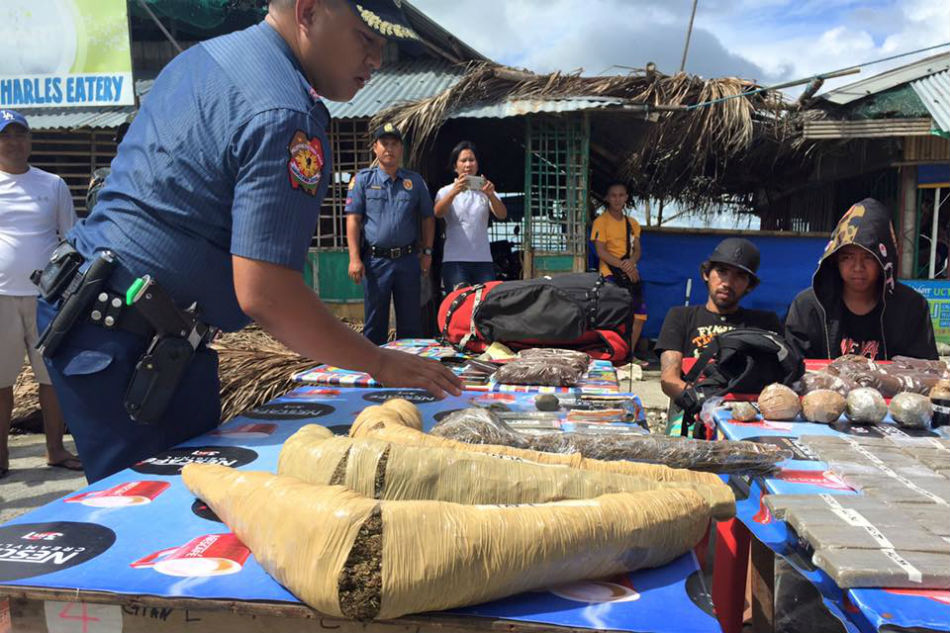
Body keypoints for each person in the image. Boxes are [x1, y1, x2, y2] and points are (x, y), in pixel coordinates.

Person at [35, 0, 462, 483]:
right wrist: (377, 361)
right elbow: (266, 293)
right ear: (309, 12)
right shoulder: (283, 111)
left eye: (383, 45)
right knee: (159, 525)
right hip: (127, 342)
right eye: (365, 38)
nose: (377, 60)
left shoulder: (206, 58)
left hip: (114, 319)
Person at [0, 109, 81, 477]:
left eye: (20, 134)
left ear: (30, 140)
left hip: (47, 298)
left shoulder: (53, 185)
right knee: (1, 382)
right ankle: (1, 457)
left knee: (52, 379)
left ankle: (55, 450)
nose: (14, 142)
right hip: (1, 298)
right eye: (5, 135)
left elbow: (72, 238)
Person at [785, 198, 938, 360]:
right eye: (848, 257)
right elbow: (796, 370)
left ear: (884, 261)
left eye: (869, 257)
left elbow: (925, 371)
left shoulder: (912, 306)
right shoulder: (808, 307)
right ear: (834, 259)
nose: (858, 267)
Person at [656, 237, 782, 401]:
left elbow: (779, 380)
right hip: (692, 409)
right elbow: (669, 379)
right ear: (706, 274)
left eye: (740, 276)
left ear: (749, 285)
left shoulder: (763, 323)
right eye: (722, 271)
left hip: (747, 412)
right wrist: (702, 403)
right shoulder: (681, 317)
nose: (728, 283)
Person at [345, 123, 435, 344]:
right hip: (376, 262)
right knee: (375, 323)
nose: (389, 149)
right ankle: (376, 373)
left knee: (411, 322)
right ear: (375, 148)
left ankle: (410, 373)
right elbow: (353, 219)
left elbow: (428, 217)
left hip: (407, 261)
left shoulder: (414, 182)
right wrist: (354, 258)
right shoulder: (363, 180)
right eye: (384, 144)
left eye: (394, 144)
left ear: (401, 149)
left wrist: (428, 252)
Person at [433, 141, 507, 291]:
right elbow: (437, 212)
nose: (468, 165)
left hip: (483, 261)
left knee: (484, 306)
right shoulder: (445, 191)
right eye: (463, 161)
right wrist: (454, 191)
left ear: (477, 164)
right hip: (455, 261)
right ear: (455, 166)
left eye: (471, 160)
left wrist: (491, 195)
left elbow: (502, 215)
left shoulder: (486, 191)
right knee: (458, 307)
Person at [590, 182, 648, 364]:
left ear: (626, 198)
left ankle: (629, 355)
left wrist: (631, 264)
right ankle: (613, 353)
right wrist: (624, 266)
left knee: (640, 315)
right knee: (614, 315)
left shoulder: (633, 224)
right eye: (613, 195)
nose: (617, 199)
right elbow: (601, 252)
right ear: (607, 198)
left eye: (621, 195)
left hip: (630, 274)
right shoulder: (601, 222)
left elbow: (637, 250)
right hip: (609, 274)